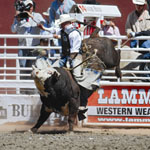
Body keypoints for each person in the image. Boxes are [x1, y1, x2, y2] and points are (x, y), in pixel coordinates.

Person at [11, 0, 45, 68]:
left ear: (33, 7)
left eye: (31, 6)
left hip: (34, 46)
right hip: (23, 45)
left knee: (33, 66)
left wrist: (31, 16)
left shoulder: (37, 15)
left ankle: (31, 79)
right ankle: (23, 78)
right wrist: (18, 21)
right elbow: (13, 30)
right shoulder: (20, 16)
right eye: (28, 6)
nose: (29, 8)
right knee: (22, 66)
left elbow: (42, 23)